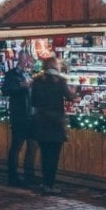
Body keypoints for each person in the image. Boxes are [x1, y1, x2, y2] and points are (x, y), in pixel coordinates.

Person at [30, 56, 74, 195]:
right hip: (55, 123)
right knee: (53, 156)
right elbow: (70, 97)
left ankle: (45, 183)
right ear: (56, 66)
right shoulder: (60, 81)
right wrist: (74, 89)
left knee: (44, 154)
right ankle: (50, 184)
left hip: (42, 122)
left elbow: (33, 101)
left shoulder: (37, 81)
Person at [2, 63, 35, 187]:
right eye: (27, 60)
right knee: (16, 147)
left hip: (30, 116)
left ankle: (29, 176)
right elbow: (5, 90)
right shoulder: (12, 74)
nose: (28, 63)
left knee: (32, 146)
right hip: (19, 116)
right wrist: (21, 86)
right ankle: (13, 176)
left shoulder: (28, 74)